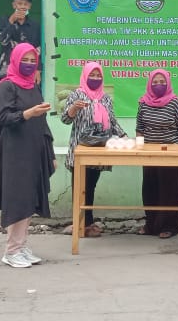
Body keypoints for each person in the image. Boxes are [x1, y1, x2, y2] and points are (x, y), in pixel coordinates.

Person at [0, 43, 56, 268]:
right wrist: (27, 113)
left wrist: (50, 154)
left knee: (30, 197)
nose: (29, 64)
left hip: (35, 149)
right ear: (15, 60)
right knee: (17, 198)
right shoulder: (6, 86)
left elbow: (43, 122)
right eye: (24, 60)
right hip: (16, 152)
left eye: (32, 61)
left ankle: (21, 245)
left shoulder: (33, 86)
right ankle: (11, 250)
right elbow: (4, 118)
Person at [61, 61, 127, 237]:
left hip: (99, 149)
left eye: (98, 75)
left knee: (90, 187)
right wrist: (74, 108)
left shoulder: (105, 98)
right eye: (92, 75)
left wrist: (124, 137)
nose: (95, 78)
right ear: (85, 75)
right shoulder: (77, 95)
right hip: (81, 149)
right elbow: (65, 119)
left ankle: (87, 223)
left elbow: (112, 122)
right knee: (79, 188)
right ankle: (80, 225)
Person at [136, 69, 178, 239]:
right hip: (149, 153)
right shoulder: (144, 103)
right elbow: (140, 128)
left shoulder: (175, 102)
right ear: (149, 83)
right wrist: (139, 149)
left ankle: (170, 226)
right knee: (150, 189)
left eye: (162, 82)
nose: (158, 85)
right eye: (155, 82)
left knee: (170, 190)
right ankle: (151, 224)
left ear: (168, 83)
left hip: (172, 153)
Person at [0, 0, 41, 84]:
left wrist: (38, 69)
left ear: (29, 6)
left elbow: (37, 49)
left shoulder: (35, 25)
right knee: (8, 89)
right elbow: (3, 41)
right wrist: (11, 21)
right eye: (19, 3)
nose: (22, 7)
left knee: (27, 89)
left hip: (28, 67)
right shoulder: (5, 20)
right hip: (8, 66)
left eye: (26, 4)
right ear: (14, 5)